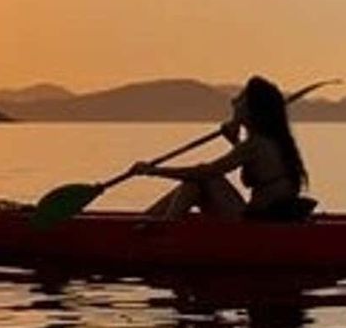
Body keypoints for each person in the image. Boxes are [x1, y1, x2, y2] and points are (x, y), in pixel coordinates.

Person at [134, 75, 316, 222]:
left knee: (198, 180)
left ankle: (160, 228)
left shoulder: (256, 144)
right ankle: (149, 221)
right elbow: (252, 174)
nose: (233, 101)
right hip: (258, 217)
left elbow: (207, 172)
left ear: (251, 110)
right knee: (197, 181)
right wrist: (235, 142)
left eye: (241, 98)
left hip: (257, 223)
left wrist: (153, 171)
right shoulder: (264, 141)